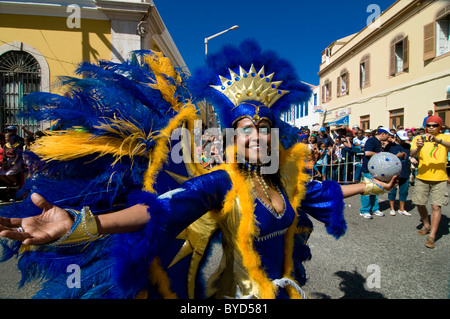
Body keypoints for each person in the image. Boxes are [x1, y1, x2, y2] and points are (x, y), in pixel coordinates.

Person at [0, 41, 396, 299]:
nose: (256, 137)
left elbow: (321, 192)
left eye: (264, 129)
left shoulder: (280, 180)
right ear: (231, 140)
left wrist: (369, 185)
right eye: (245, 130)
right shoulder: (223, 181)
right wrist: (83, 224)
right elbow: (161, 209)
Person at [410, 115, 450, 248]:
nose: (431, 128)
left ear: (440, 127)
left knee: (436, 206)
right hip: (422, 176)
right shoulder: (418, 138)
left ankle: (432, 236)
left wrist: (438, 141)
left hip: (440, 178)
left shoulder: (445, 137)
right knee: (419, 203)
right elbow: (412, 154)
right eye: (429, 125)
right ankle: (426, 224)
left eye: (435, 125)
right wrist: (419, 147)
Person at [360, 127, 395, 218]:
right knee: (367, 190)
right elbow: (367, 152)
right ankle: (364, 210)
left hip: (376, 170)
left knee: (375, 190)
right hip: (368, 170)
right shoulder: (371, 140)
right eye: (388, 135)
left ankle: (374, 209)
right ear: (383, 134)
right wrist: (381, 155)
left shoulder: (377, 142)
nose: (388, 137)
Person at [385, 130, 412, 216]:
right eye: (401, 139)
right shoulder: (390, 146)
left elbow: (410, 155)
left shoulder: (408, 146)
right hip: (393, 171)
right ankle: (392, 208)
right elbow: (385, 158)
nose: (403, 141)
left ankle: (402, 208)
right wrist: (397, 156)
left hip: (405, 170)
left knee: (404, 190)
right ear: (396, 137)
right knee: (392, 190)